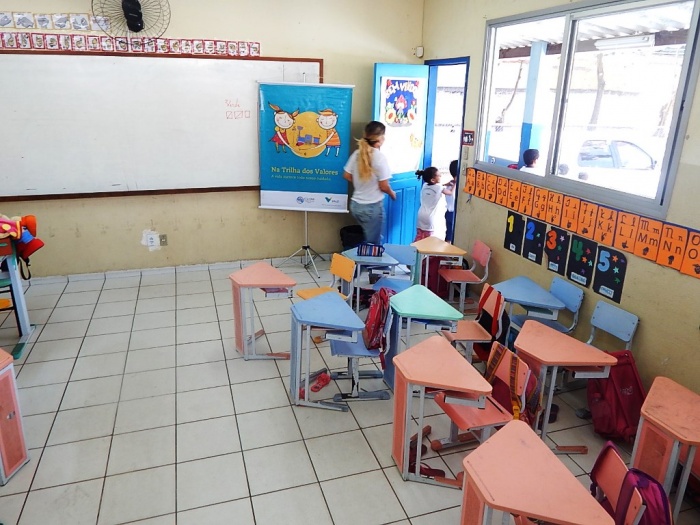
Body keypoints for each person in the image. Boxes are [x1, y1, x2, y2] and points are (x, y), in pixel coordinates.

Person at [343, 121, 396, 244]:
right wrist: (392, 193)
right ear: (381, 138)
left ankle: (363, 255)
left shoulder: (357, 154)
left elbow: (346, 175)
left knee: (367, 240)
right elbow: (384, 186)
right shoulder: (379, 157)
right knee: (373, 245)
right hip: (371, 207)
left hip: (356, 205)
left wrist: (361, 184)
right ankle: (368, 257)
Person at [414, 166, 454, 242]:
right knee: (428, 240)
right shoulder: (439, 188)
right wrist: (455, 183)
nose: (441, 176)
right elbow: (450, 193)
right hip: (430, 217)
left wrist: (446, 184)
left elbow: (436, 186)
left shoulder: (425, 185)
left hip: (420, 215)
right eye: (439, 175)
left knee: (420, 237)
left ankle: (415, 248)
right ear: (432, 180)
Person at [445, 160, 458, 241]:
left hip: (448, 213)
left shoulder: (449, 185)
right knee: (454, 236)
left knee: (449, 235)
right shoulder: (456, 187)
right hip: (453, 214)